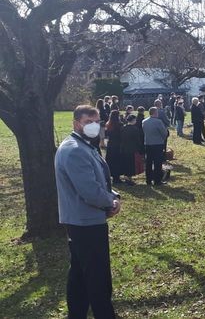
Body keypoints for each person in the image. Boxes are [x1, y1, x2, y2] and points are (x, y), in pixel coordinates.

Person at [55, 105, 122, 319]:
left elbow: (99, 180)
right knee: (98, 277)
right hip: (85, 222)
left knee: (79, 274)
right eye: (88, 122)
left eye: (97, 121)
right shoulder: (74, 149)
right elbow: (90, 191)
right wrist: (109, 203)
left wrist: (114, 196)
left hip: (84, 220)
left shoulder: (85, 146)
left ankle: (76, 314)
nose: (94, 126)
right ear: (76, 124)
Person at [142, 107, 169, 186]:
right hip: (157, 144)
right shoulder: (158, 122)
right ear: (154, 113)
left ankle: (148, 180)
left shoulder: (144, 121)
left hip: (148, 144)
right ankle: (157, 180)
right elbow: (164, 133)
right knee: (157, 163)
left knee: (149, 162)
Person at [119, 114, 143, 185]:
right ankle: (129, 179)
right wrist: (140, 148)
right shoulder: (135, 129)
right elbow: (137, 140)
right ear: (133, 120)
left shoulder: (123, 128)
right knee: (131, 164)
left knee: (126, 163)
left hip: (124, 148)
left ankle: (126, 177)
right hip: (132, 149)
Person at [104, 111, 123, 184]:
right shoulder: (119, 125)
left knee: (111, 161)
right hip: (117, 145)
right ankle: (117, 177)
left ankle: (110, 175)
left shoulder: (108, 124)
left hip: (110, 144)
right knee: (117, 161)